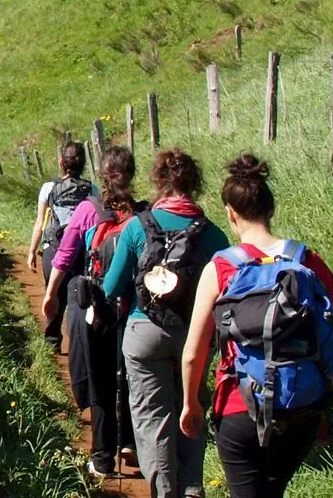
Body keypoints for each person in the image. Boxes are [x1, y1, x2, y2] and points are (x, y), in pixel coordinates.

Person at [179, 154, 333, 498]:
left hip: (241, 408)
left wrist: (191, 403)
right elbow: (330, 337)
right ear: (271, 209)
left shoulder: (221, 269)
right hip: (302, 407)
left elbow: (194, 353)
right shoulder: (308, 262)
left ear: (230, 213)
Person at [103, 148, 230, 498]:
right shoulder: (212, 234)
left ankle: (164, 493)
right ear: (195, 184)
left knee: (152, 421)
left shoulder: (137, 227)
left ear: (159, 181)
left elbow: (111, 287)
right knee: (190, 410)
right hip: (194, 337)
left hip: (144, 333)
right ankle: (192, 490)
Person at [43, 144, 142, 478]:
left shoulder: (89, 210)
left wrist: (51, 292)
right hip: (133, 308)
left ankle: (102, 458)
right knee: (129, 375)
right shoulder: (142, 214)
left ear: (101, 175)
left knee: (101, 381)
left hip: (97, 308)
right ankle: (130, 441)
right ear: (131, 175)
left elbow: (66, 254)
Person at [27, 141, 94, 351]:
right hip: (81, 249)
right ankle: (79, 342)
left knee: (54, 293)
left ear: (61, 162)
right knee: (79, 294)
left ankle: (52, 342)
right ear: (83, 163)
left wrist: (31, 251)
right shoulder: (92, 189)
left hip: (53, 247)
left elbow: (40, 222)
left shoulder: (49, 188)